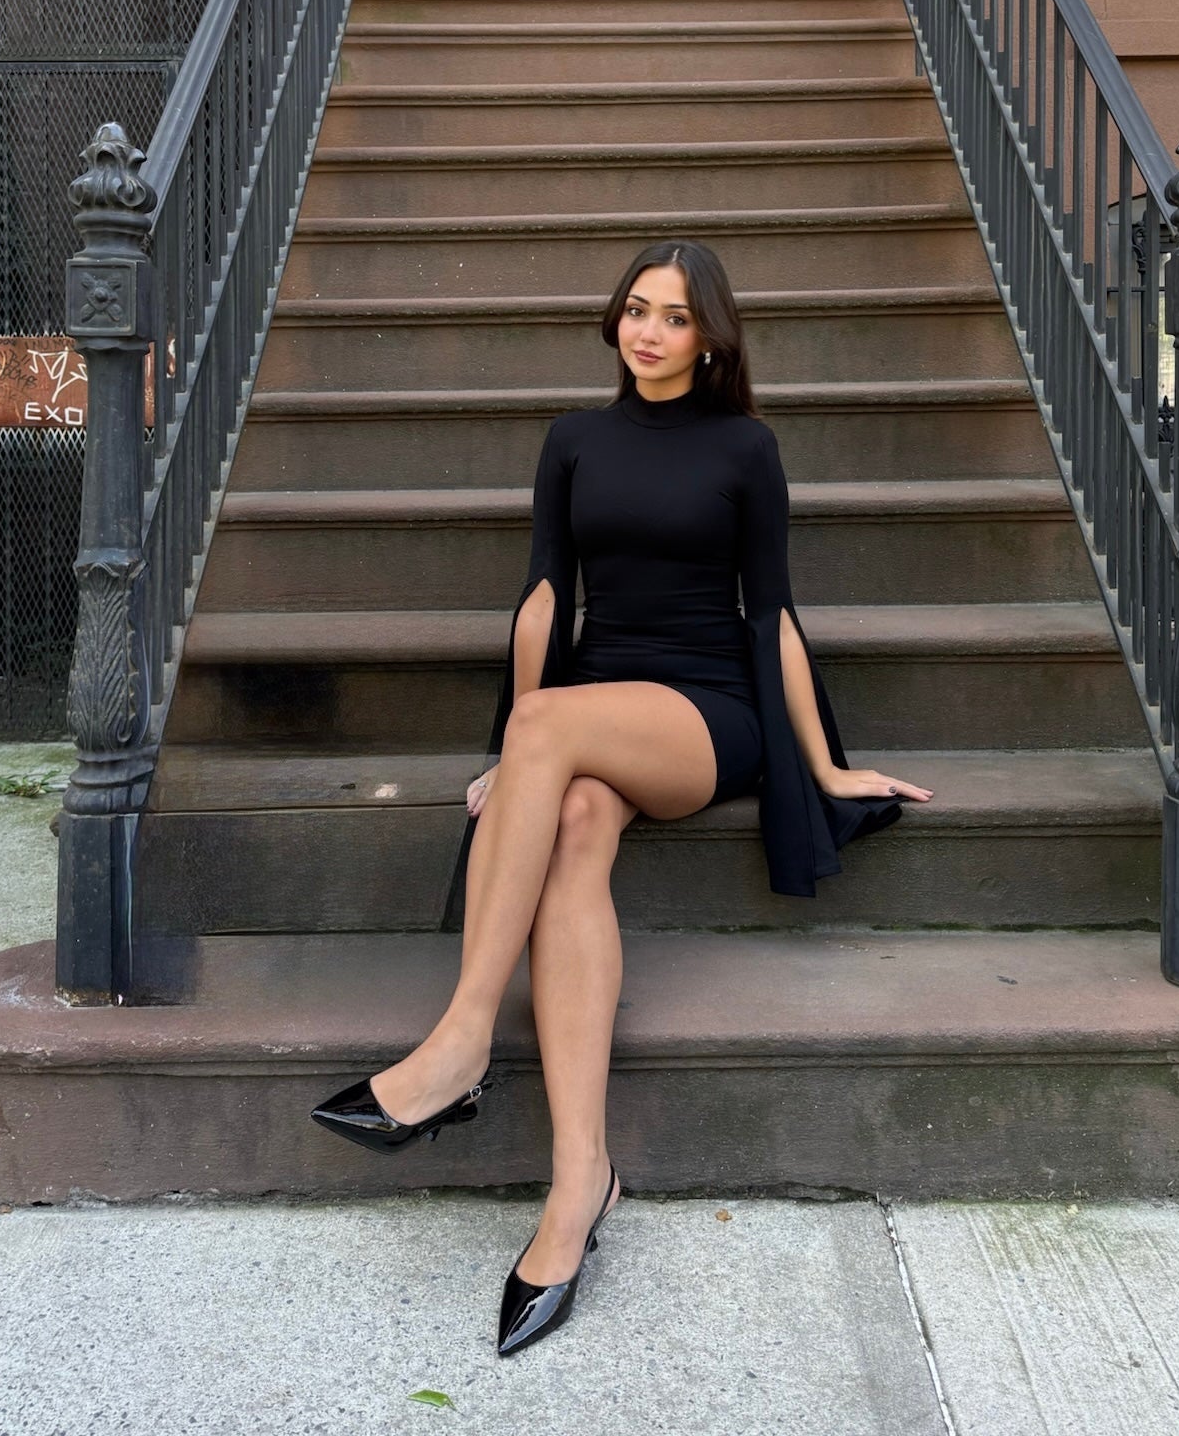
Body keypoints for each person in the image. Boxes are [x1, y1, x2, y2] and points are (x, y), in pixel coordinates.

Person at [310, 238, 933, 1355]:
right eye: (637, 309)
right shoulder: (573, 440)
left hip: (707, 711)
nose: (649, 331)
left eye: (675, 317)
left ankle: (459, 1042)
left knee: (545, 731)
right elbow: (546, 592)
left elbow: (773, 613)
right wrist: (524, 749)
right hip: (595, 702)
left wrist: (826, 763)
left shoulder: (747, 447)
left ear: (711, 339)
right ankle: (580, 1182)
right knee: (574, 818)